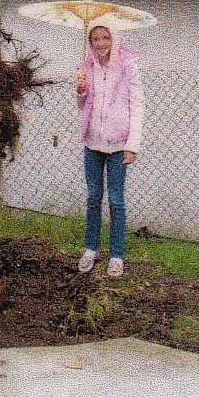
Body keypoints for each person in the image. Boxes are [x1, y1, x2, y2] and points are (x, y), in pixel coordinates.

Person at [75, 20, 145, 277]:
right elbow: (83, 106)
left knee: (116, 199)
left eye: (106, 37)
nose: (101, 43)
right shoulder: (86, 65)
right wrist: (81, 90)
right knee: (93, 197)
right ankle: (90, 249)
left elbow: (137, 105)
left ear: (113, 39)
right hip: (93, 141)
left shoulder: (127, 65)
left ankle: (116, 255)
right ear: (90, 42)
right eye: (96, 39)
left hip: (118, 144)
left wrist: (132, 144)